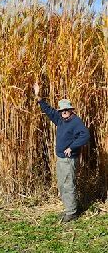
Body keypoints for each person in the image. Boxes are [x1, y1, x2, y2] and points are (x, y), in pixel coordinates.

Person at [33, 82, 89, 223]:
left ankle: (72, 213)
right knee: (62, 184)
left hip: (68, 159)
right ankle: (69, 209)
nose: (63, 112)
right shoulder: (61, 119)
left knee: (68, 184)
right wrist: (38, 96)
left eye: (66, 110)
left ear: (71, 110)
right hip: (60, 159)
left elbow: (85, 135)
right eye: (62, 110)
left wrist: (72, 147)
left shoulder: (75, 121)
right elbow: (49, 110)